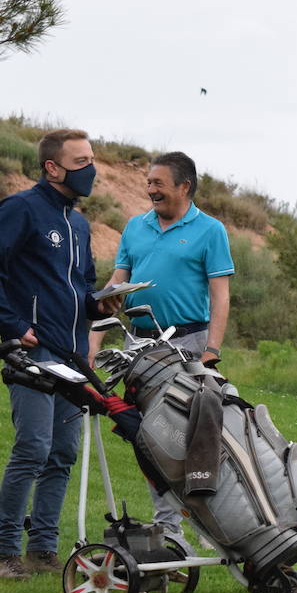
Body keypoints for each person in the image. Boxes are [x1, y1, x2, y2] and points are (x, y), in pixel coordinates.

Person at [0, 129, 119, 579]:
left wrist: (100, 303)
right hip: (33, 353)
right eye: (80, 161)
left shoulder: (79, 223)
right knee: (32, 448)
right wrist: (14, 327)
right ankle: (4, 553)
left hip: (72, 357)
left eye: (92, 159)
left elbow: (81, 289)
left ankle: (43, 550)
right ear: (52, 167)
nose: (90, 169)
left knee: (62, 454)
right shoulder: (20, 209)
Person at [90, 151, 234, 547]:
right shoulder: (136, 227)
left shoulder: (210, 230)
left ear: (184, 186)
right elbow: (115, 286)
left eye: (158, 183)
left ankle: (213, 522)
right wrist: (95, 340)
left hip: (188, 342)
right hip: (137, 344)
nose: (150, 189)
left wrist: (212, 349)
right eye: (149, 182)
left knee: (195, 439)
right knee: (151, 440)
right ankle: (169, 529)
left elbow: (220, 296)